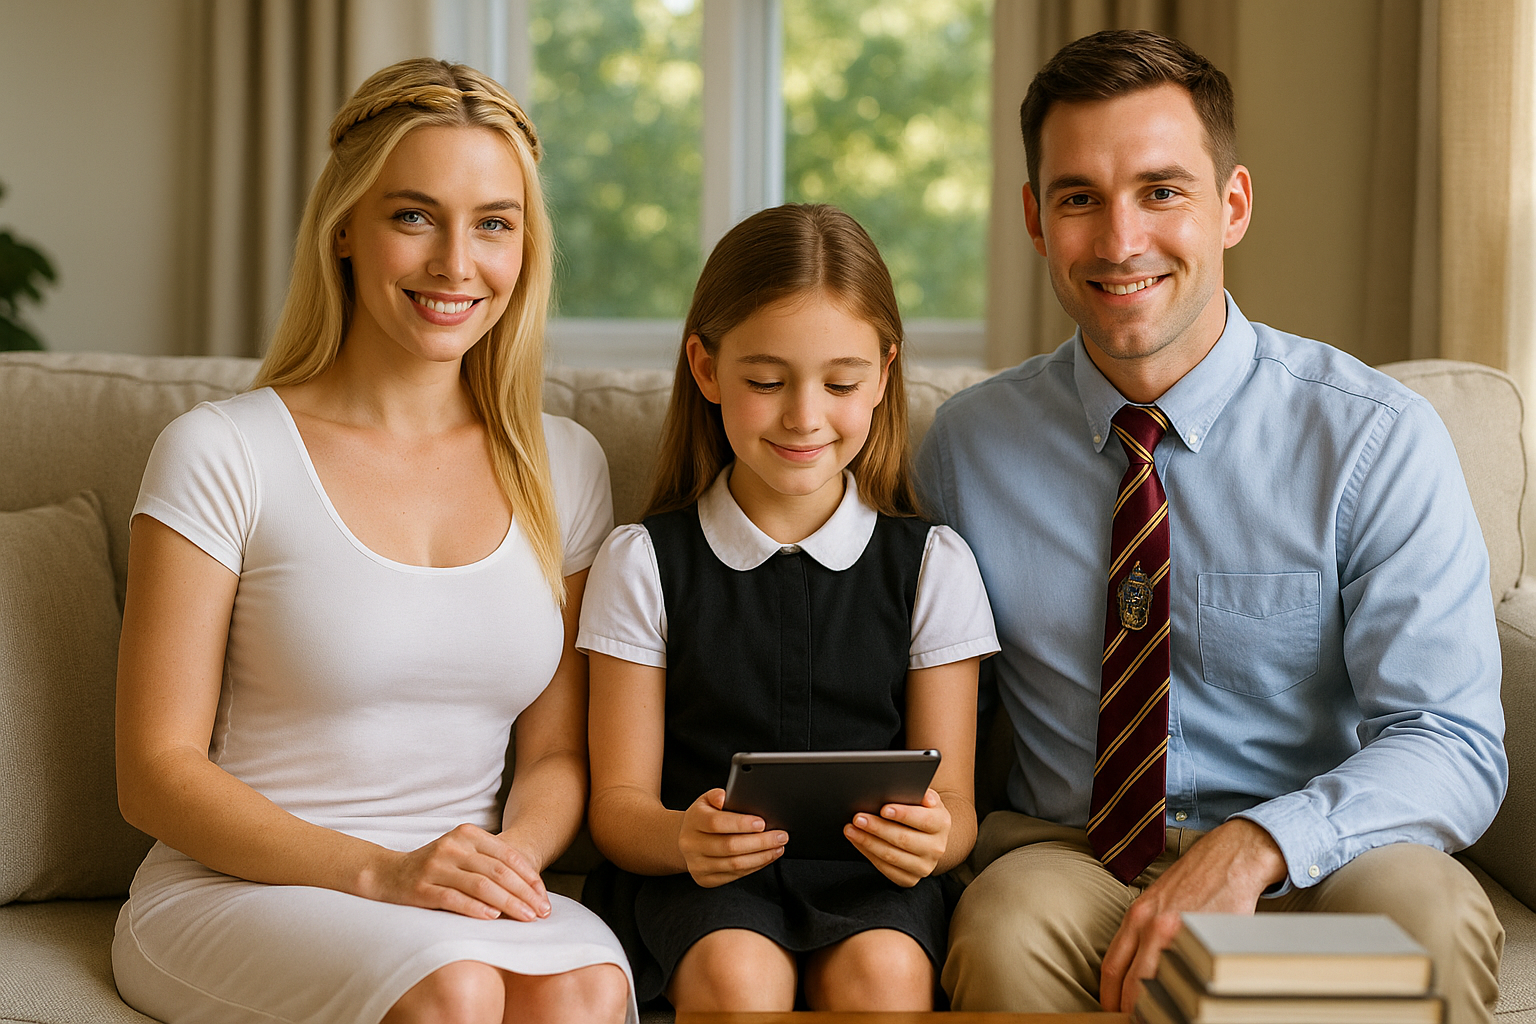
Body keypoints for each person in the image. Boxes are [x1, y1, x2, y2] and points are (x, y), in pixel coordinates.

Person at [917, 29, 1507, 1024]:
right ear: (1032, 218)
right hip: (1076, 862)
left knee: (1427, 916)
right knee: (1003, 922)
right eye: (1078, 199)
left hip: (1318, 860)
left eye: (1160, 191)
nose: (1117, 240)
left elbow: (1450, 737)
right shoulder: (963, 450)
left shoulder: (1373, 439)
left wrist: (1264, 842)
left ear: (1231, 206)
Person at [112, 58, 634, 1024]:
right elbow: (155, 772)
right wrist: (383, 873)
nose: (456, 264)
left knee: (586, 991)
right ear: (344, 227)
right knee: (455, 991)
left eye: (493, 222)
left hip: (455, 888)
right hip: (242, 888)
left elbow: (558, 755)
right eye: (412, 216)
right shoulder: (222, 451)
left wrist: (511, 863)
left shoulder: (564, 464)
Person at [578, 203, 999, 1012]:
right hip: (696, 884)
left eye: (840, 383)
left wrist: (936, 841)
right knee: (740, 977)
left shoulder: (932, 565)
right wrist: (683, 838)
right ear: (705, 369)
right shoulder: (644, 561)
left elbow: (956, 809)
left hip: (872, 888)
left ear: (883, 374)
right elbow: (617, 810)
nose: (804, 416)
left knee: (886, 976)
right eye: (766, 382)